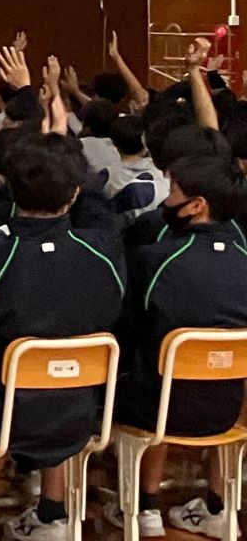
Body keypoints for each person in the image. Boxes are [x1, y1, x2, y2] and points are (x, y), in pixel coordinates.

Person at [0, 133, 124, 541]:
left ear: (9, 188)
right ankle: (51, 511)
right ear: (74, 194)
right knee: (54, 374)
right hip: (78, 408)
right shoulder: (103, 256)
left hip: (3, 409)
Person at [114, 155, 247, 540]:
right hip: (228, 410)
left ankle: (145, 506)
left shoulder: (154, 260)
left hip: (156, 406)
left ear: (196, 205)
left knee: (147, 366)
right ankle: (219, 508)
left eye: (173, 191)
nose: (166, 200)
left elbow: (127, 327)